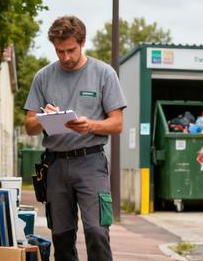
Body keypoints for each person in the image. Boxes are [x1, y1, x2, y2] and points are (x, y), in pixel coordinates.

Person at [23, 15, 126, 261]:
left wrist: (91, 125)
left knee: (97, 231)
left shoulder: (104, 73)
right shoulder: (43, 77)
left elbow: (117, 123)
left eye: (71, 50)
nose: (66, 57)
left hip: (91, 163)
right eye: (60, 51)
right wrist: (43, 118)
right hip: (56, 164)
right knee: (61, 237)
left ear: (82, 42)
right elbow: (29, 126)